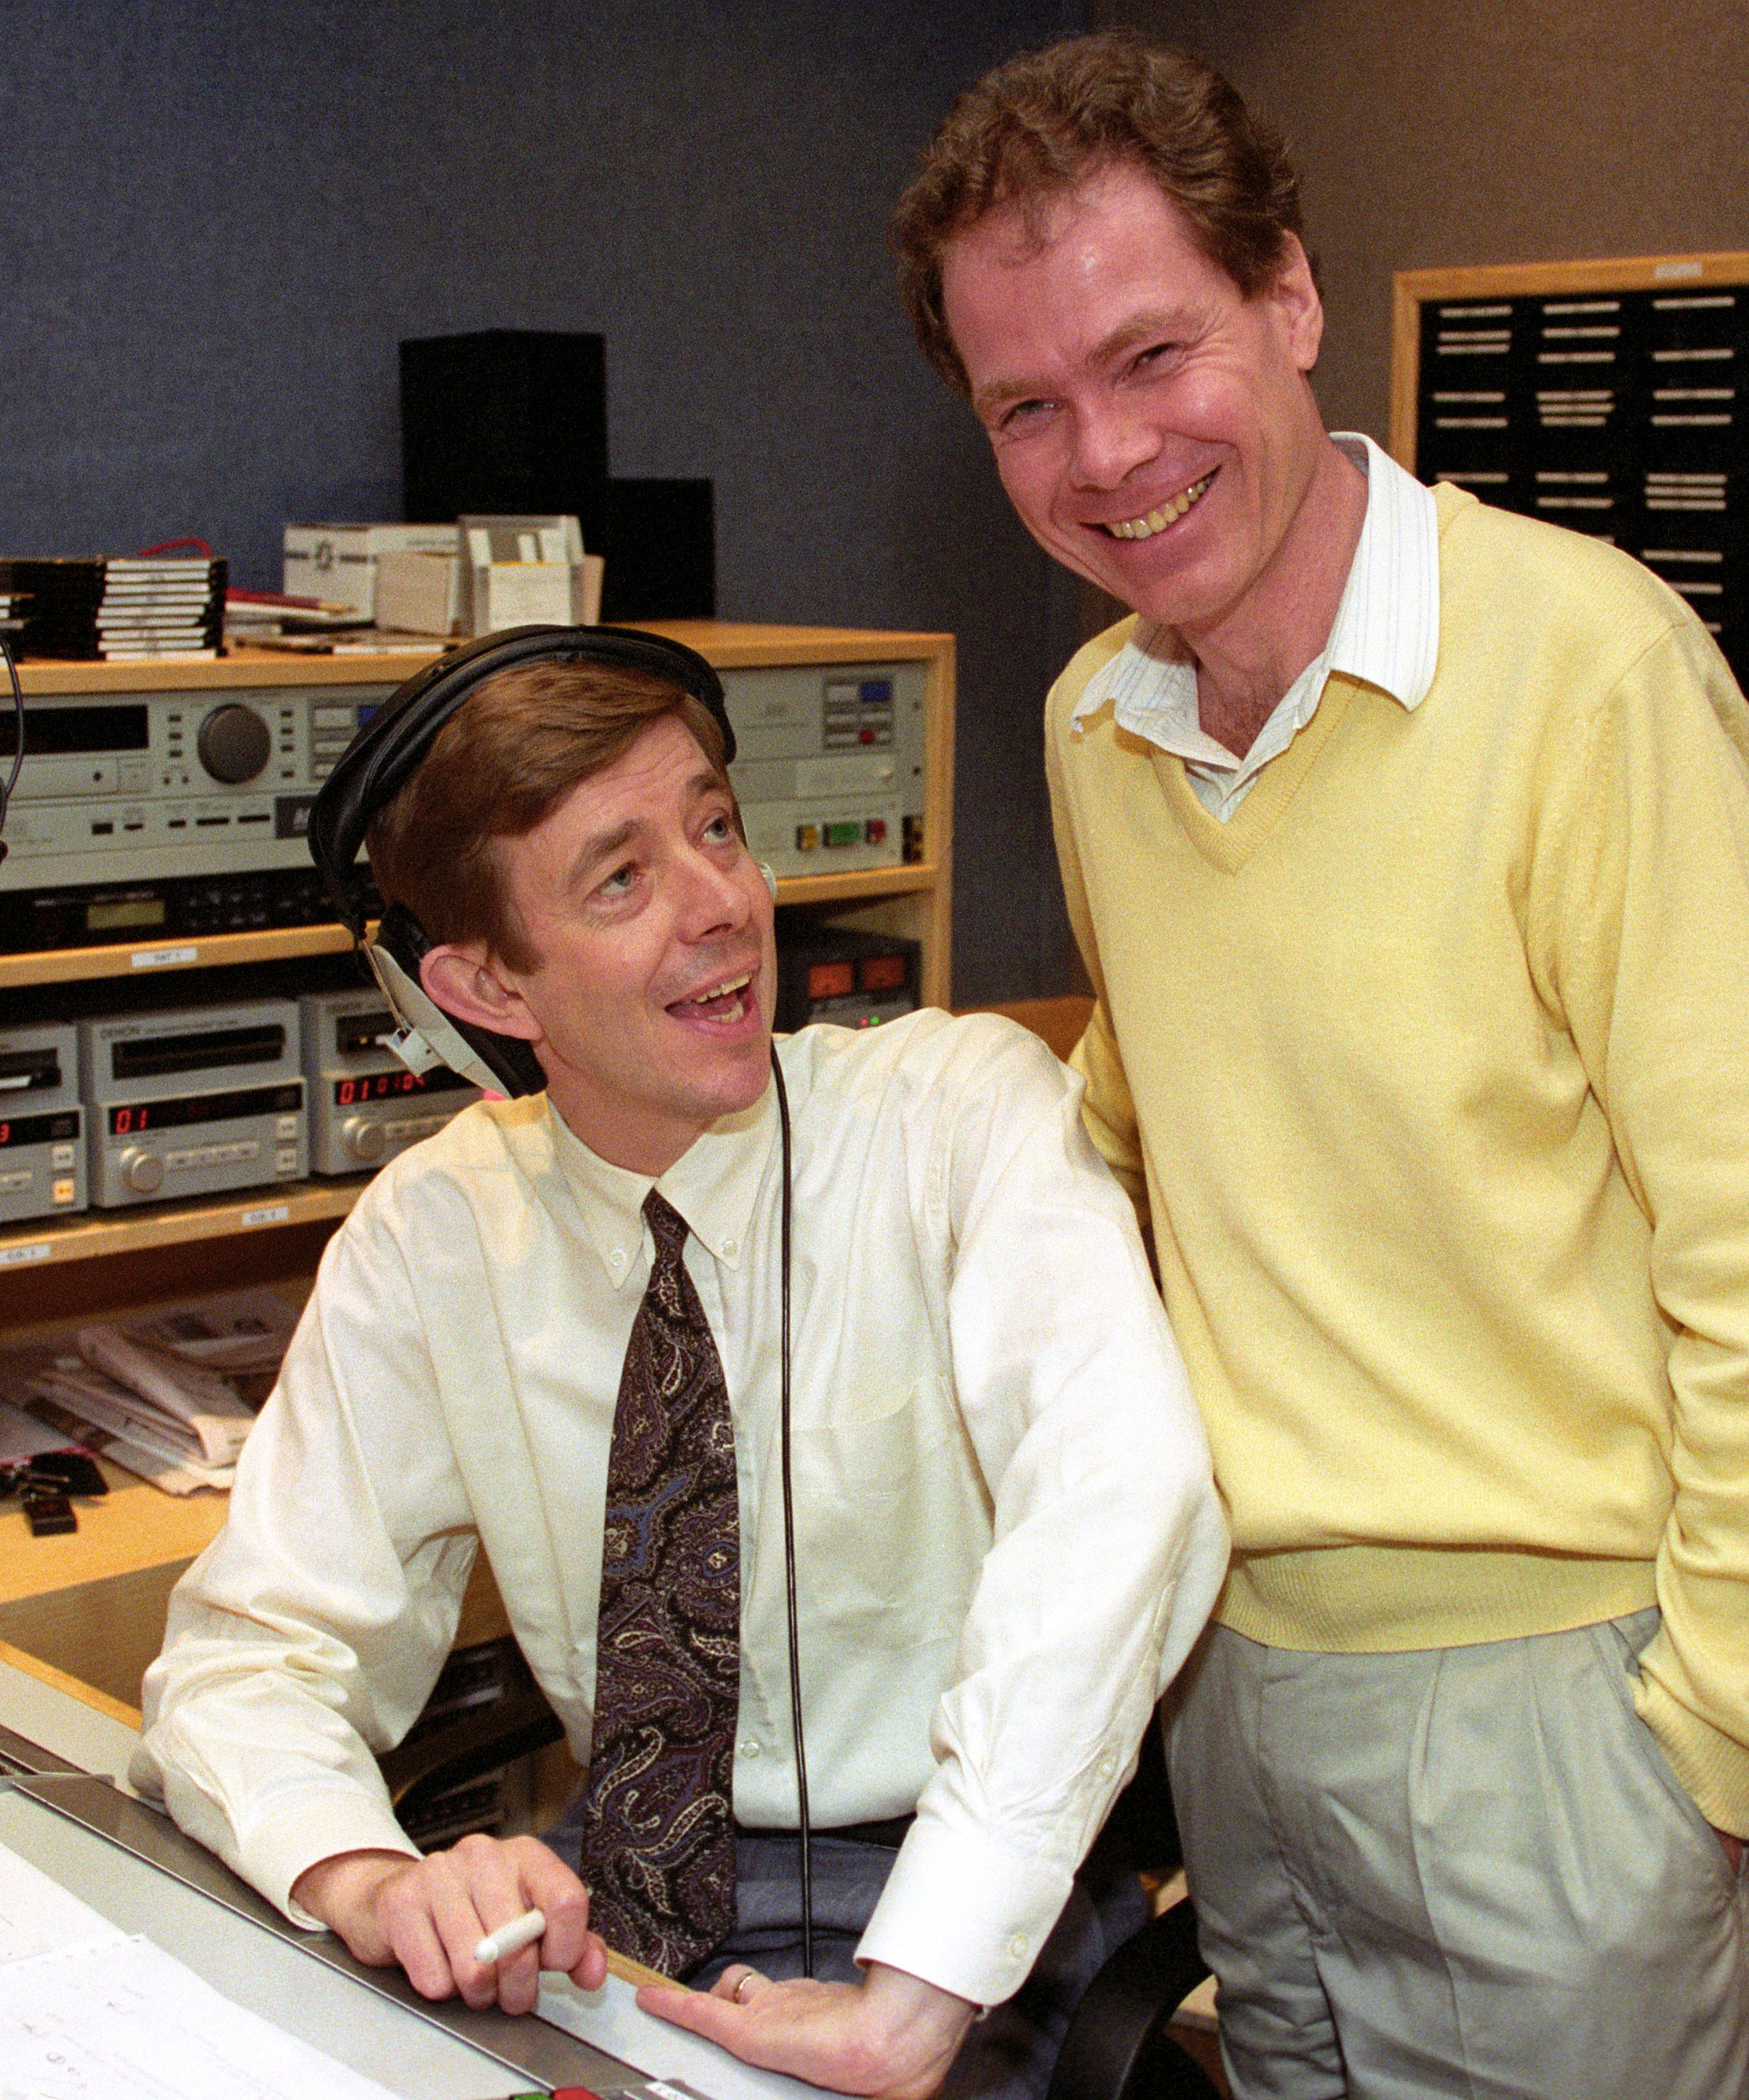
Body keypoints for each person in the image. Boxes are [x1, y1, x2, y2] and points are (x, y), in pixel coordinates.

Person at [892, 34, 1749, 2099]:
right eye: (1028, 405)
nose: (1103, 456)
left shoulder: (1583, 669)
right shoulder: (1099, 724)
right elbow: (1161, 1126)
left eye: (1151, 353)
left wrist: (1707, 1757)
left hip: (1554, 1719)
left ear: (1289, 299)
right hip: (1239, 1694)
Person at [132, 635, 1228, 2100]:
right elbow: (251, 1652)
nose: (722, 905)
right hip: (615, 1907)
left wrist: (921, 1985)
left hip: (957, 1898)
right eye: (621, 878)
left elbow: (1126, 1485)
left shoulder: (956, 1117)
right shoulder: (433, 1231)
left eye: (716, 828)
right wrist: (371, 1878)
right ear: (485, 988)